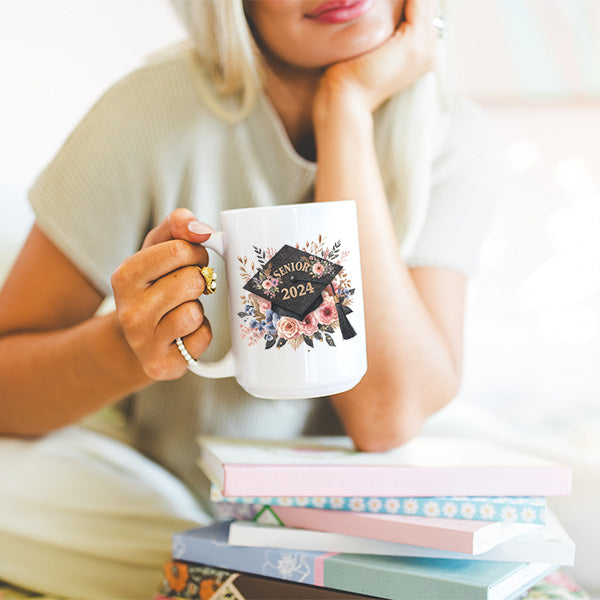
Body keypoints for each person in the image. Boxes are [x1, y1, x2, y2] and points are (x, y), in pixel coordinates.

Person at [0, 0, 496, 598]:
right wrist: (132, 345)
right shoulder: (148, 111)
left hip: (366, 508)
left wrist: (345, 110)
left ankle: (220, 575)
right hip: (174, 494)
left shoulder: (452, 135)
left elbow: (387, 417)